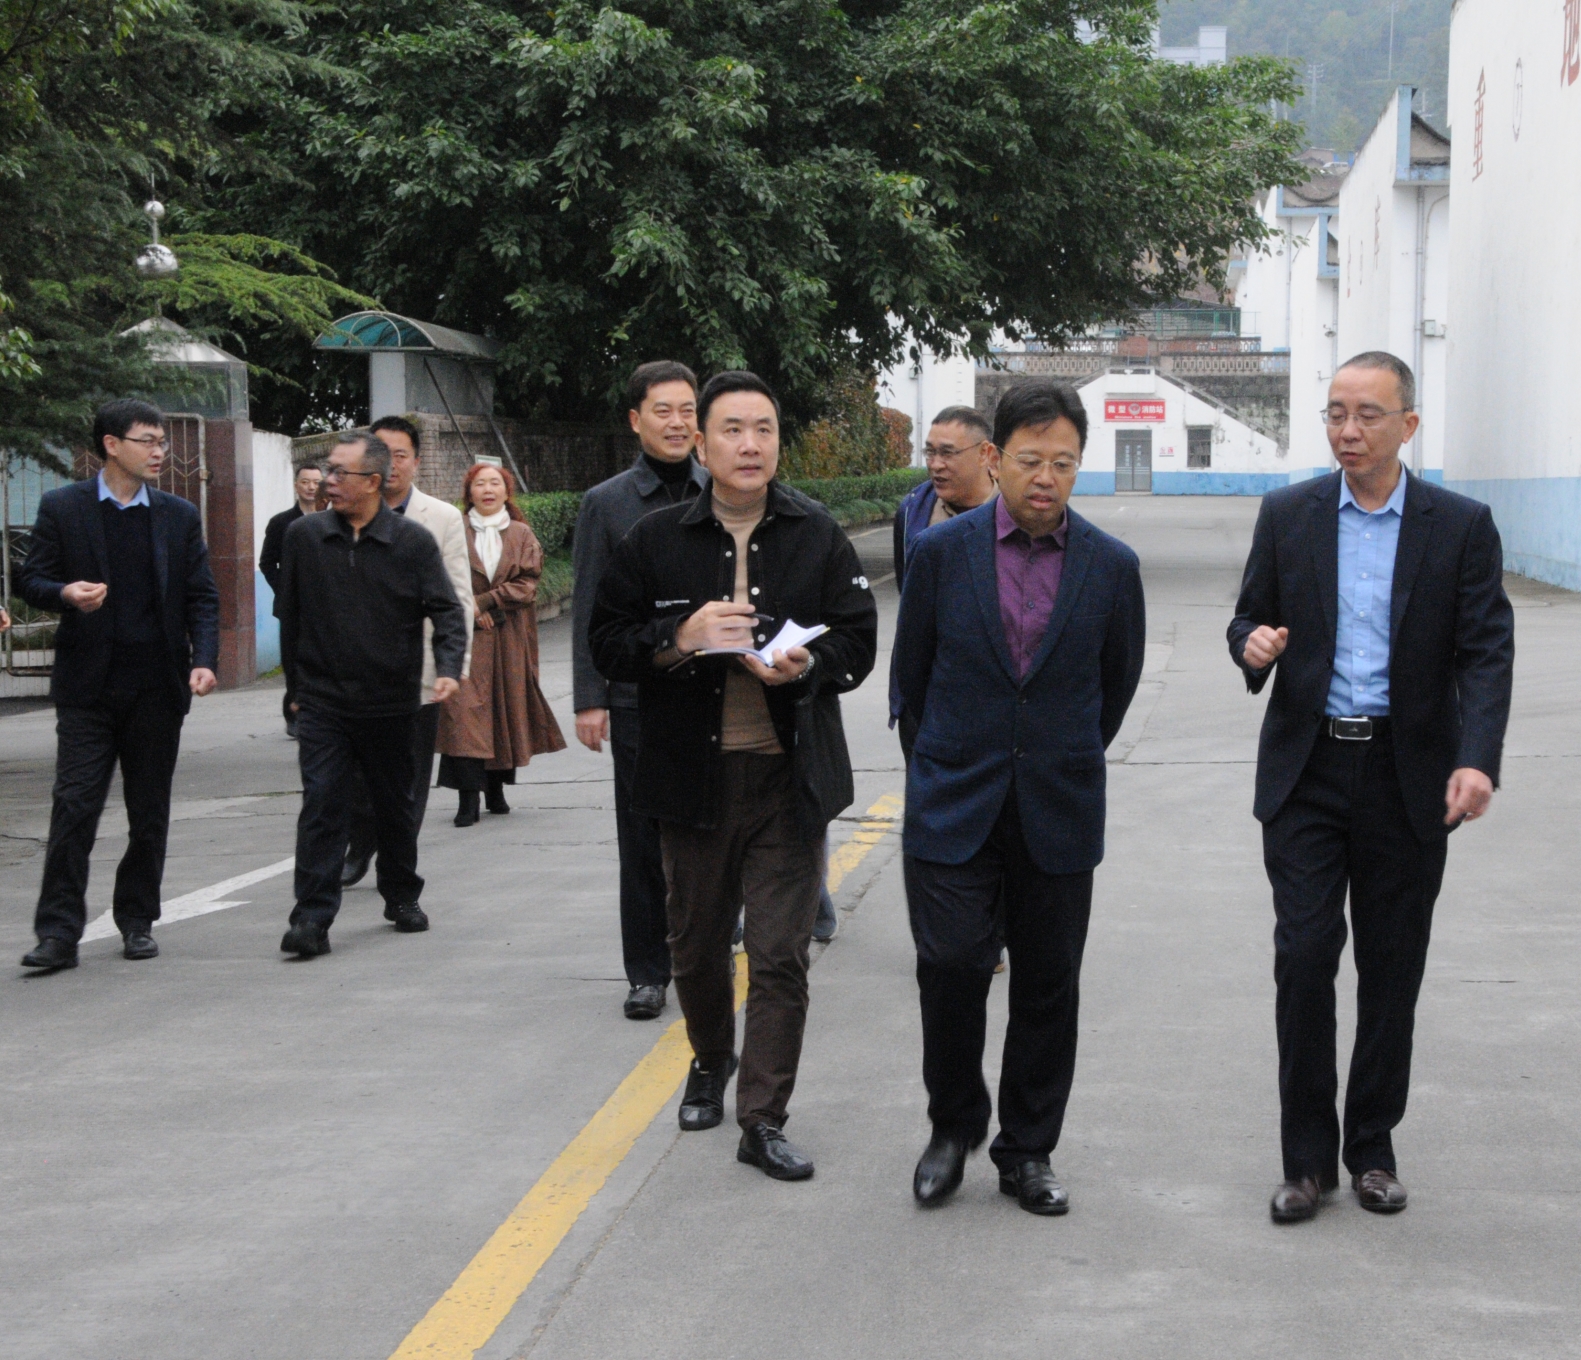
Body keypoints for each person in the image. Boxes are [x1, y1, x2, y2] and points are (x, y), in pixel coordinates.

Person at [1228, 352, 1514, 1224]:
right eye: (1334, 413)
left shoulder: (1458, 526)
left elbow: (1484, 650)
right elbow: (1248, 616)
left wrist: (1476, 757)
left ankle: (1372, 1150)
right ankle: (1305, 1163)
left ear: (1407, 426)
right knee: (1304, 956)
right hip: (1307, 771)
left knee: (1391, 968)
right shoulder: (1289, 515)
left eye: (1366, 415)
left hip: (1406, 775)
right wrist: (1251, 646)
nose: (1346, 431)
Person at [590, 370, 878, 1181]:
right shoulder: (653, 539)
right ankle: (711, 1056)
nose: (750, 445)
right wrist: (679, 638)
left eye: (764, 430)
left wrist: (808, 665)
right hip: (691, 779)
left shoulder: (816, 533)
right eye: (732, 430)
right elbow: (607, 641)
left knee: (781, 955)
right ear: (701, 443)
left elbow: (857, 637)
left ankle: (763, 1118)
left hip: (787, 780)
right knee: (695, 946)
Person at [892, 379, 1145, 1215]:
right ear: (996, 459)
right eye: (1031, 460)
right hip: (952, 799)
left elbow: (1113, 689)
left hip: (1057, 805)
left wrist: (1051, 756)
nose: (1046, 478)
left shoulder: (1111, 567)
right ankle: (952, 1125)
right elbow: (912, 679)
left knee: (1047, 983)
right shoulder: (941, 555)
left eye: (1063, 464)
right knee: (951, 968)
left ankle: (1027, 1150)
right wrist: (947, 762)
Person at [16, 398, 219, 971]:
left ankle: (136, 920)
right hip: (89, 689)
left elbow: (202, 595)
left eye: (163, 442)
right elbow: (31, 578)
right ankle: (59, 933)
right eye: (147, 441)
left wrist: (204, 659)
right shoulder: (64, 507)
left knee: (148, 812)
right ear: (111, 445)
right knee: (74, 806)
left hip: (157, 687)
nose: (159, 451)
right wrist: (65, 594)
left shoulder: (178, 515)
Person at [276, 431, 466, 957]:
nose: (329, 481)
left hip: (391, 701)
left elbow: (447, 611)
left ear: (374, 482)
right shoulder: (304, 537)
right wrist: (295, 690)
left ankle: (401, 894)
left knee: (393, 805)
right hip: (323, 701)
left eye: (341, 473)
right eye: (328, 470)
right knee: (322, 804)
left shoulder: (412, 543)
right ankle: (311, 919)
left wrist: (449, 668)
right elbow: (291, 617)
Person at [572, 360, 709, 1020]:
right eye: (663, 411)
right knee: (643, 838)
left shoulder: (724, 488)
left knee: (712, 833)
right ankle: (648, 970)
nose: (677, 423)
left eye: (687, 410)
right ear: (635, 420)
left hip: (718, 694)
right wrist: (589, 696)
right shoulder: (607, 504)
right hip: (638, 698)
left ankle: (704, 952)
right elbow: (589, 608)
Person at [339, 416, 473, 888]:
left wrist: (455, 665)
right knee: (357, 772)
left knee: (410, 776)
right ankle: (360, 841)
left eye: (401, 455)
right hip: (353, 672)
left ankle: (396, 864)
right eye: (382, 454)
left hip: (419, 671)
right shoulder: (340, 516)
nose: (392, 465)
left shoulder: (441, 518)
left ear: (417, 461)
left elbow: (458, 598)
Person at [437, 462, 566, 823]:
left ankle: (496, 788)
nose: (488, 490)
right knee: (464, 714)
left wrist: (488, 602)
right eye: (480, 484)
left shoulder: (521, 533)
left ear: (507, 492)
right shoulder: (454, 529)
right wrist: (468, 607)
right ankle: (467, 799)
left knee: (503, 710)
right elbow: (440, 576)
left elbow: (528, 584)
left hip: (510, 636)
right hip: (464, 638)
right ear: (469, 492)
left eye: (495, 483)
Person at [259, 462, 323, 737]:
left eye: (316, 482)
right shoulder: (281, 522)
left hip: (325, 605)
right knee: (294, 660)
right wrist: (284, 589)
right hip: (292, 607)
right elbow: (266, 562)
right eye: (305, 482)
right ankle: (294, 713)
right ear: (296, 486)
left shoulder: (334, 521)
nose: (311, 487)